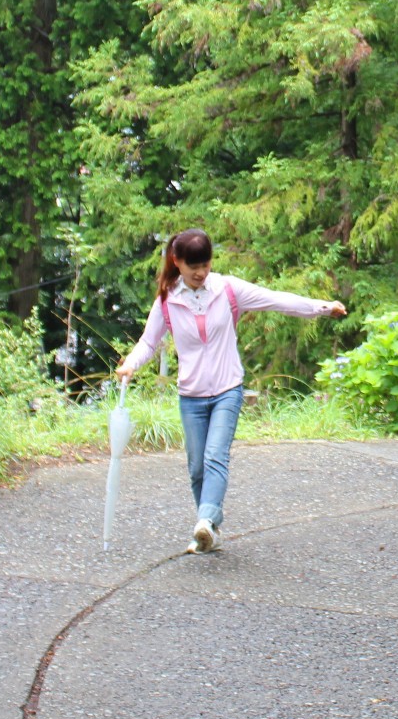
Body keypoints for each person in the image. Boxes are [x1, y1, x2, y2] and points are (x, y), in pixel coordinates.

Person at [117, 229, 346, 553]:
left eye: (206, 264)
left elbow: (276, 299)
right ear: (177, 261)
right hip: (191, 396)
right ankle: (209, 527)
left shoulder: (227, 290)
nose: (200, 272)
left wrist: (323, 308)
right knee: (197, 466)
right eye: (193, 265)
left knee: (215, 457)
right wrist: (130, 364)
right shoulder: (168, 300)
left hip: (227, 389)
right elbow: (149, 341)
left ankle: (206, 521)